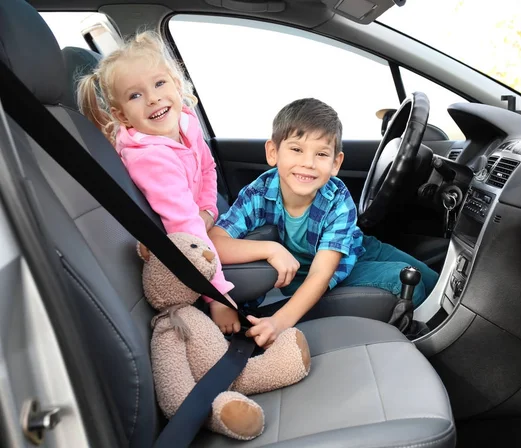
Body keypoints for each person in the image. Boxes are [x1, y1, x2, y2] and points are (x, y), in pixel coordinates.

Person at [210, 98, 439, 348]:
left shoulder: (337, 199)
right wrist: (270, 253)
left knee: (434, 280)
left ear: (336, 163)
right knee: (410, 282)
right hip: (322, 267)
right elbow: (213, 242)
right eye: (296, 149)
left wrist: (279, 321)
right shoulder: (258, 193)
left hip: (359, 247)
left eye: (321, 154)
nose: (308, 163)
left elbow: (325, 267)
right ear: (273, 152)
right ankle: (425, 341)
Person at [77, 31, 239, 334]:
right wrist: (217, 295)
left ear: (176, 85)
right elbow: (183, 226)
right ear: (121, 115)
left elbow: (207, 168)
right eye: (135, 95)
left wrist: (207, 210)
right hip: (177, 251)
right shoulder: (150, 159)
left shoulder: (186, 123)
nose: (153, 98)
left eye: (159, 83)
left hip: (196, 225)